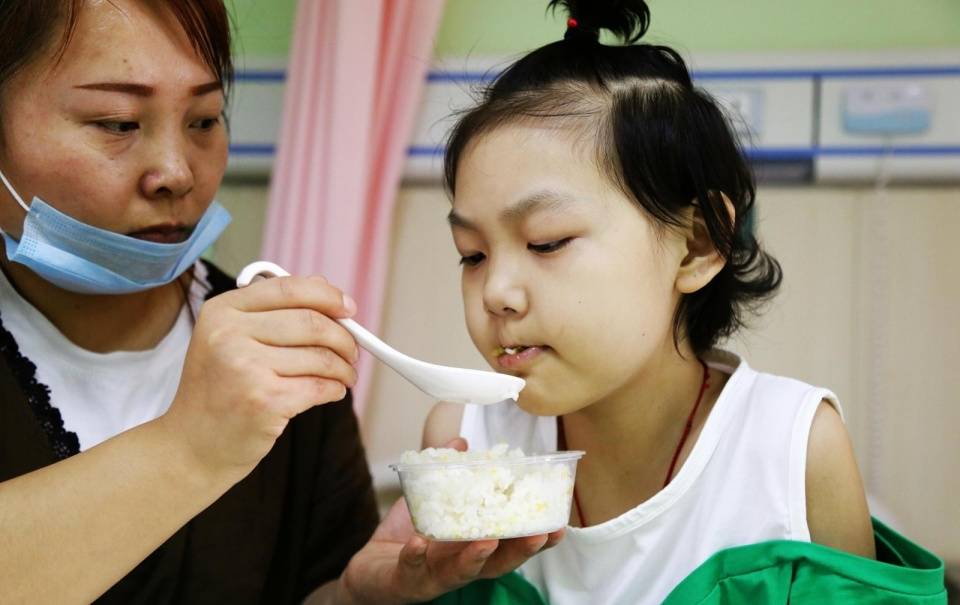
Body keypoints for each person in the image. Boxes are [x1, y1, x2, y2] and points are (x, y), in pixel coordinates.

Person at [0, 1, 560, 603]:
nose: (176, 172)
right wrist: (191, 447)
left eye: (205, 120)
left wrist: (360, 593)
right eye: (117, 123)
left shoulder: (283, 354)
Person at [423, 1, 947, 603]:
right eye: (472, 254)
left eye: (547, 242)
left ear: (696, 244)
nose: (495, 293)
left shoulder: (794, 450)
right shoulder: (463, 443)